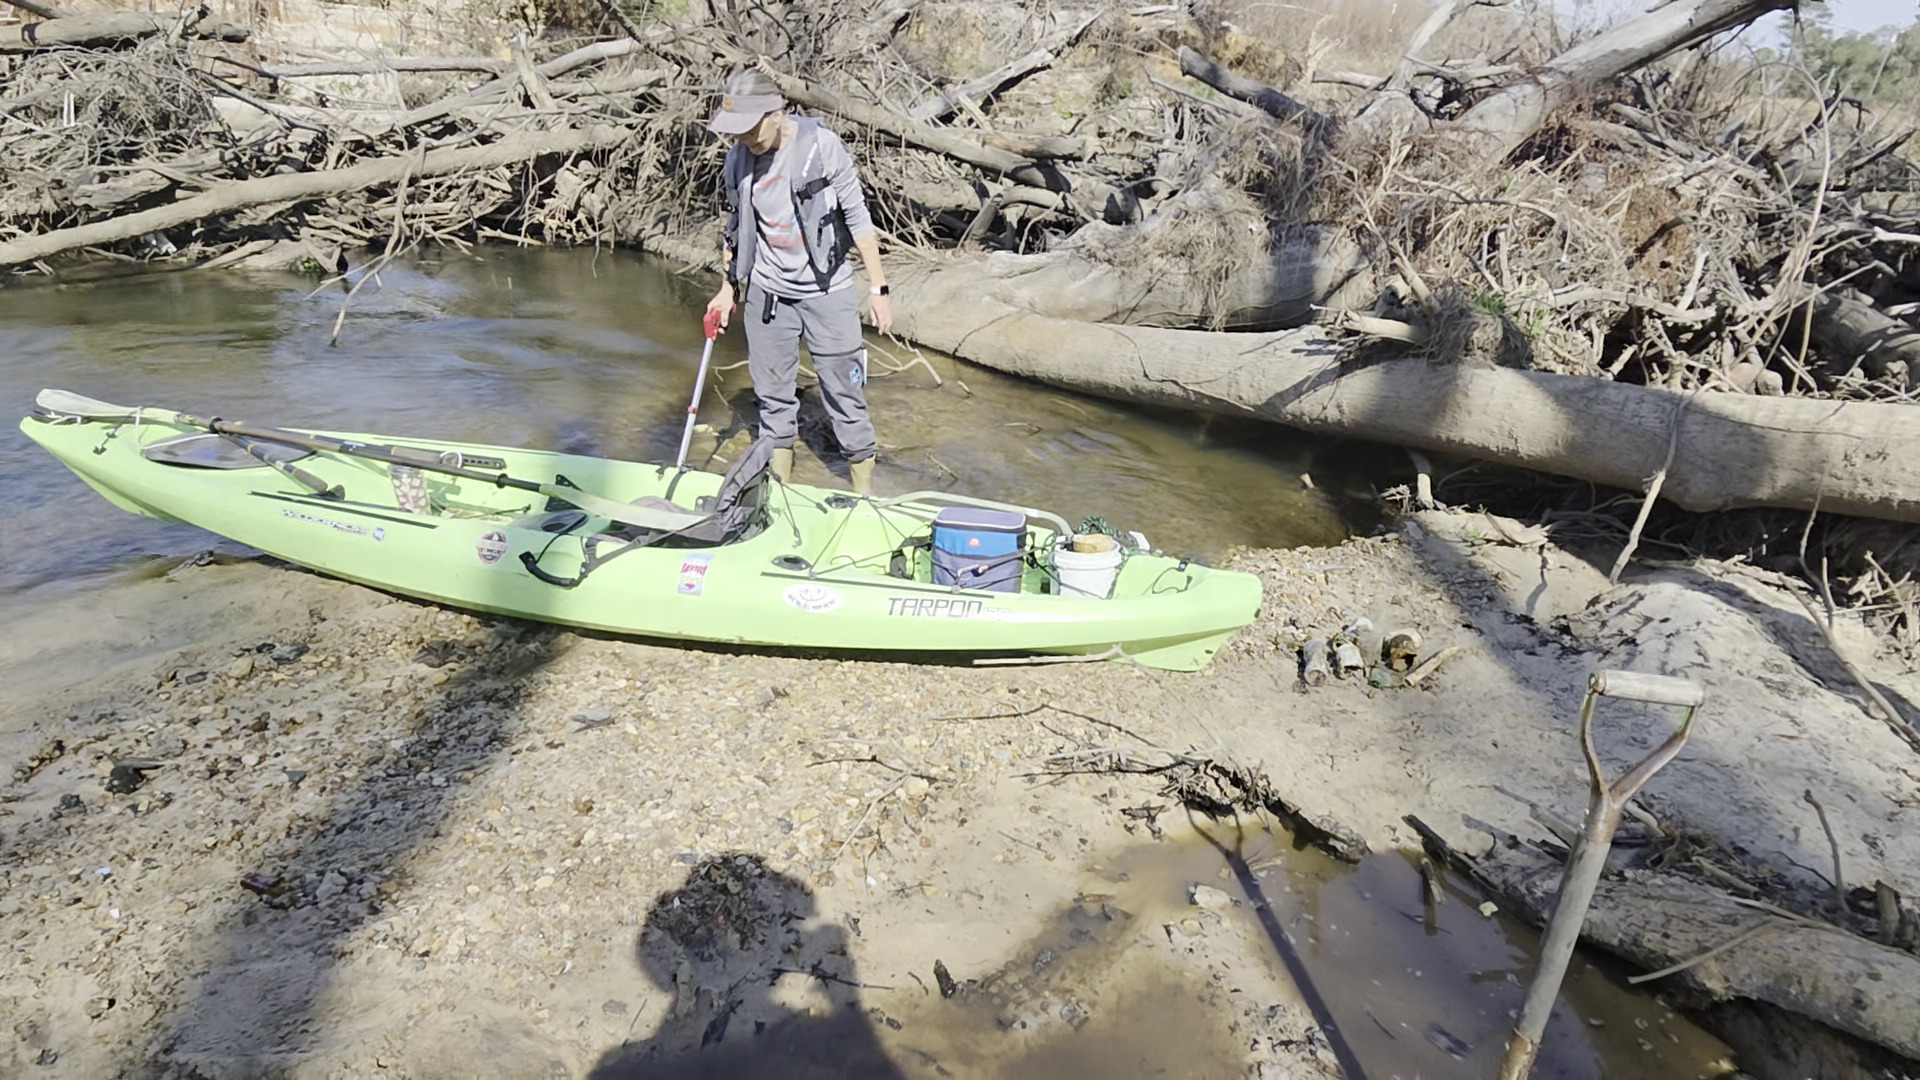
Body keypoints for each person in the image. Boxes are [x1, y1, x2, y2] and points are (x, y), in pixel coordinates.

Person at [705, 65, 892, 495]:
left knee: (845, 396)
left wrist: (879, 289)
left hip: (827, 291)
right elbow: (733, 229)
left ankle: (864, 495)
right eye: (736, 132)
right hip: (769, 295)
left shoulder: (822, 147)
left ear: (776, 112)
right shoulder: (737, 158)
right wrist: (727, 289)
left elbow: (858, 218)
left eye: (750, 128)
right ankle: (778, 492)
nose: (744, 139)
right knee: (772, 399)